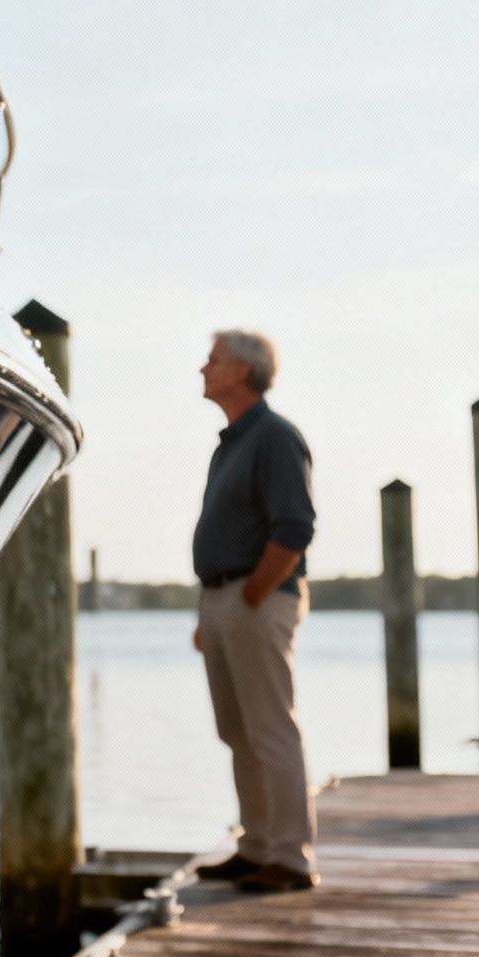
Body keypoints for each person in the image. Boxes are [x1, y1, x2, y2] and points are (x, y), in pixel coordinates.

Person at [190, 330, 319, 893]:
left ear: (241, 370)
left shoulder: (274, 436)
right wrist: (212, 609)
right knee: (237, 730)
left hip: (257, 598)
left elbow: (294, 527)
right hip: (224, 599)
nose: (202, 367)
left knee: (270, 730)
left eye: (213, 359)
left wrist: (248, 596)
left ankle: (291, 859)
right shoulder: (232, 443)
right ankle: (257, 846)